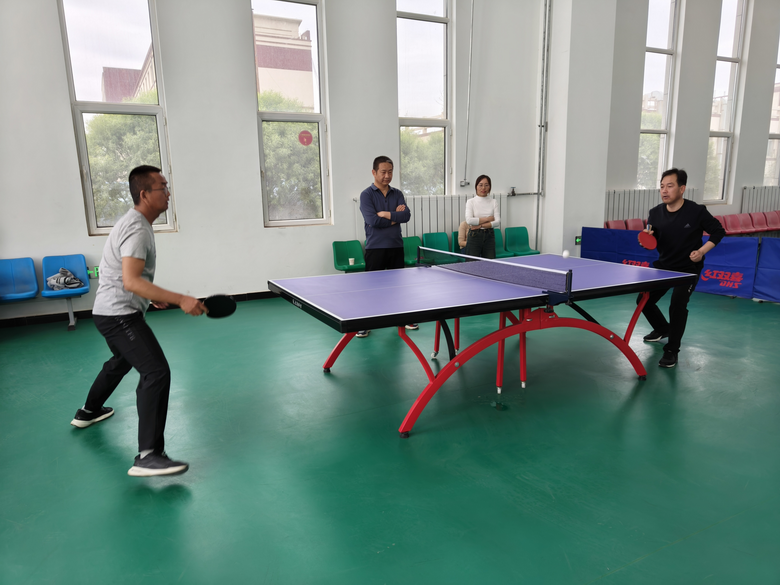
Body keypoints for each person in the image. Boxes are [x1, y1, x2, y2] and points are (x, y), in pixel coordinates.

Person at [70, 165, 208, 477]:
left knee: (121, 361)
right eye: (162, 187)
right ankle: (148, 455)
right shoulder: (137, 228)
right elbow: (131, 281)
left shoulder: (136, 223)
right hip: (119, 315)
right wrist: (181, 299)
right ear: (144, 194)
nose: (168, 193)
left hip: (108, 311)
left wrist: (150, 295)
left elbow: (129, 278)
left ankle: (88, 411)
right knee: (156, 371)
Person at [637, 168, 725, 368]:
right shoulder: (654, 213)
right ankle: (662, 328)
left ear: (682, 188)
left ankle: (672, 350)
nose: (664, 190)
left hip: (688, 268)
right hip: (664, 266)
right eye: (662, 186)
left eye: (670, 186)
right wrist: (645, 240)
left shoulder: (696, 211)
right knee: (643, 301)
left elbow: (718, 231)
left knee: (677, 305)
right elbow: (650, 236)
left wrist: (701, 251)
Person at [357, 156, 412, 337]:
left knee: (397, 287)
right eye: (383, 172)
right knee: (372, 288)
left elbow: (406, 216)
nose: (387, 176)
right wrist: (395, 217)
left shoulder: (397, 193)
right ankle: (367, 322)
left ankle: (401, 319)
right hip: (375, 248)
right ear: (374, 172)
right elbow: (372, 220)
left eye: (390, 172)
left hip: (396, 246)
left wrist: (386, 214)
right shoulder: (366, 195)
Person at [465, 174, 500, 258]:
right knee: (472, 263)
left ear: (490, 187)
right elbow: (469, 220)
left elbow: (497, 222)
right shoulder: (471, 202)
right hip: (474, 235)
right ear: (476, 187)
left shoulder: (494, 202)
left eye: (486, 185)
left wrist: (479, 225)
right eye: (480, 185)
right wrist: (488, 219)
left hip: (490, 235)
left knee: (489, 263)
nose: (483, 188)